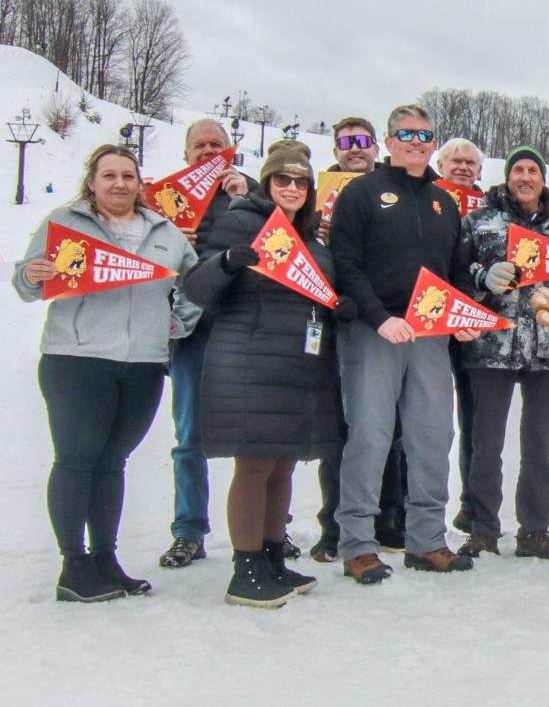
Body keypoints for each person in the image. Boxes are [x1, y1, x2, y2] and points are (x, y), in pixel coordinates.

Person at [15, 145, 199, 601]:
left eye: (128, 176)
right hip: (77, 359)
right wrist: (32, 275)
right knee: (77, 458)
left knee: (113, 461)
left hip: (143, 363)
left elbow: (193, 284)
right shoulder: (65, 222)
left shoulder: (164, 231)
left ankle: (105, 559)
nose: (119, 184)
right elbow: (26, 280)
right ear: (92, 182)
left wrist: (178, 322)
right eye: (109, 176)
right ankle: (73, 565)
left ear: (141, 183)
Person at [183, 141, 346, 607]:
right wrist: (227, 261)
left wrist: (340, 308)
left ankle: (273, 556)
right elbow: (197, 288)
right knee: (254, 463)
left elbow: (320, 294)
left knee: (284, 462)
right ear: (267, 182)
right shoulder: (239, 221)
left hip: (300, 362)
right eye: (282, 180)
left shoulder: (313, 238)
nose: (291, 188)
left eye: (300, 182)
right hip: (249, 357)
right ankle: (246, 567)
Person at [329, 103, 479, 584]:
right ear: (389, 142)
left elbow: (455, 269)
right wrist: (378, 318)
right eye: (406, 134)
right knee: (371, 435)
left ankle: (427, 539)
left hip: (431, 333)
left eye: (425, 134)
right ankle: (357, 543)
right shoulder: (362, 193)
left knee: (433, 434)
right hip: (377, 330)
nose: (416, 142)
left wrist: (464, 314)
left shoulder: (444, 201)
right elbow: (346, 264)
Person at [460, 147, 549, 558]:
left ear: (542, 177)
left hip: (547, 351)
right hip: (491, 348)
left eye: (532, 170)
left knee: (539, 445)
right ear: (508, 176)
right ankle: (483, 529)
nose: (525, 177)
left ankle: (533, 530)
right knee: (486, 444)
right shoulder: (480, 221)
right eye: (518, 170)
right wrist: (482, 278)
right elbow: (456, 273)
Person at [158, 118, 254, 569]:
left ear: (231, 150)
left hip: (244, 330)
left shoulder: (254, 193)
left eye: (217, 144)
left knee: (259, 434)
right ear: (186, 154)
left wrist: (245, 197)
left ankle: (270, 526)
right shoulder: (164, 203)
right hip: (192, 330)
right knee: (190, 436)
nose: (208, 151)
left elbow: (282, 248)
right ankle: (189, 530)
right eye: (200, 145)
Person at [312, 114, 408, 560]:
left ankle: (390, 516)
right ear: (334, 150)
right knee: (345, 427)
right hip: (332, 322)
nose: (355, 148)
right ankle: (334, 524)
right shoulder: (312, 196)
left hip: (383, 321)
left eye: (363, 141)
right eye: (346, 141)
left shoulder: (393, 189)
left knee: (393, 428)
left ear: (377, 147)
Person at [436, 137, 485, 530]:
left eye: (471, 163)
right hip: (429, 318)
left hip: (471, 324)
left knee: (474, 421)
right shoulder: (426, 199)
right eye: (456, 161)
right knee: (426, 419)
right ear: (441, 164)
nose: (463, 168)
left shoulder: (488, 210)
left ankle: (471, 504)